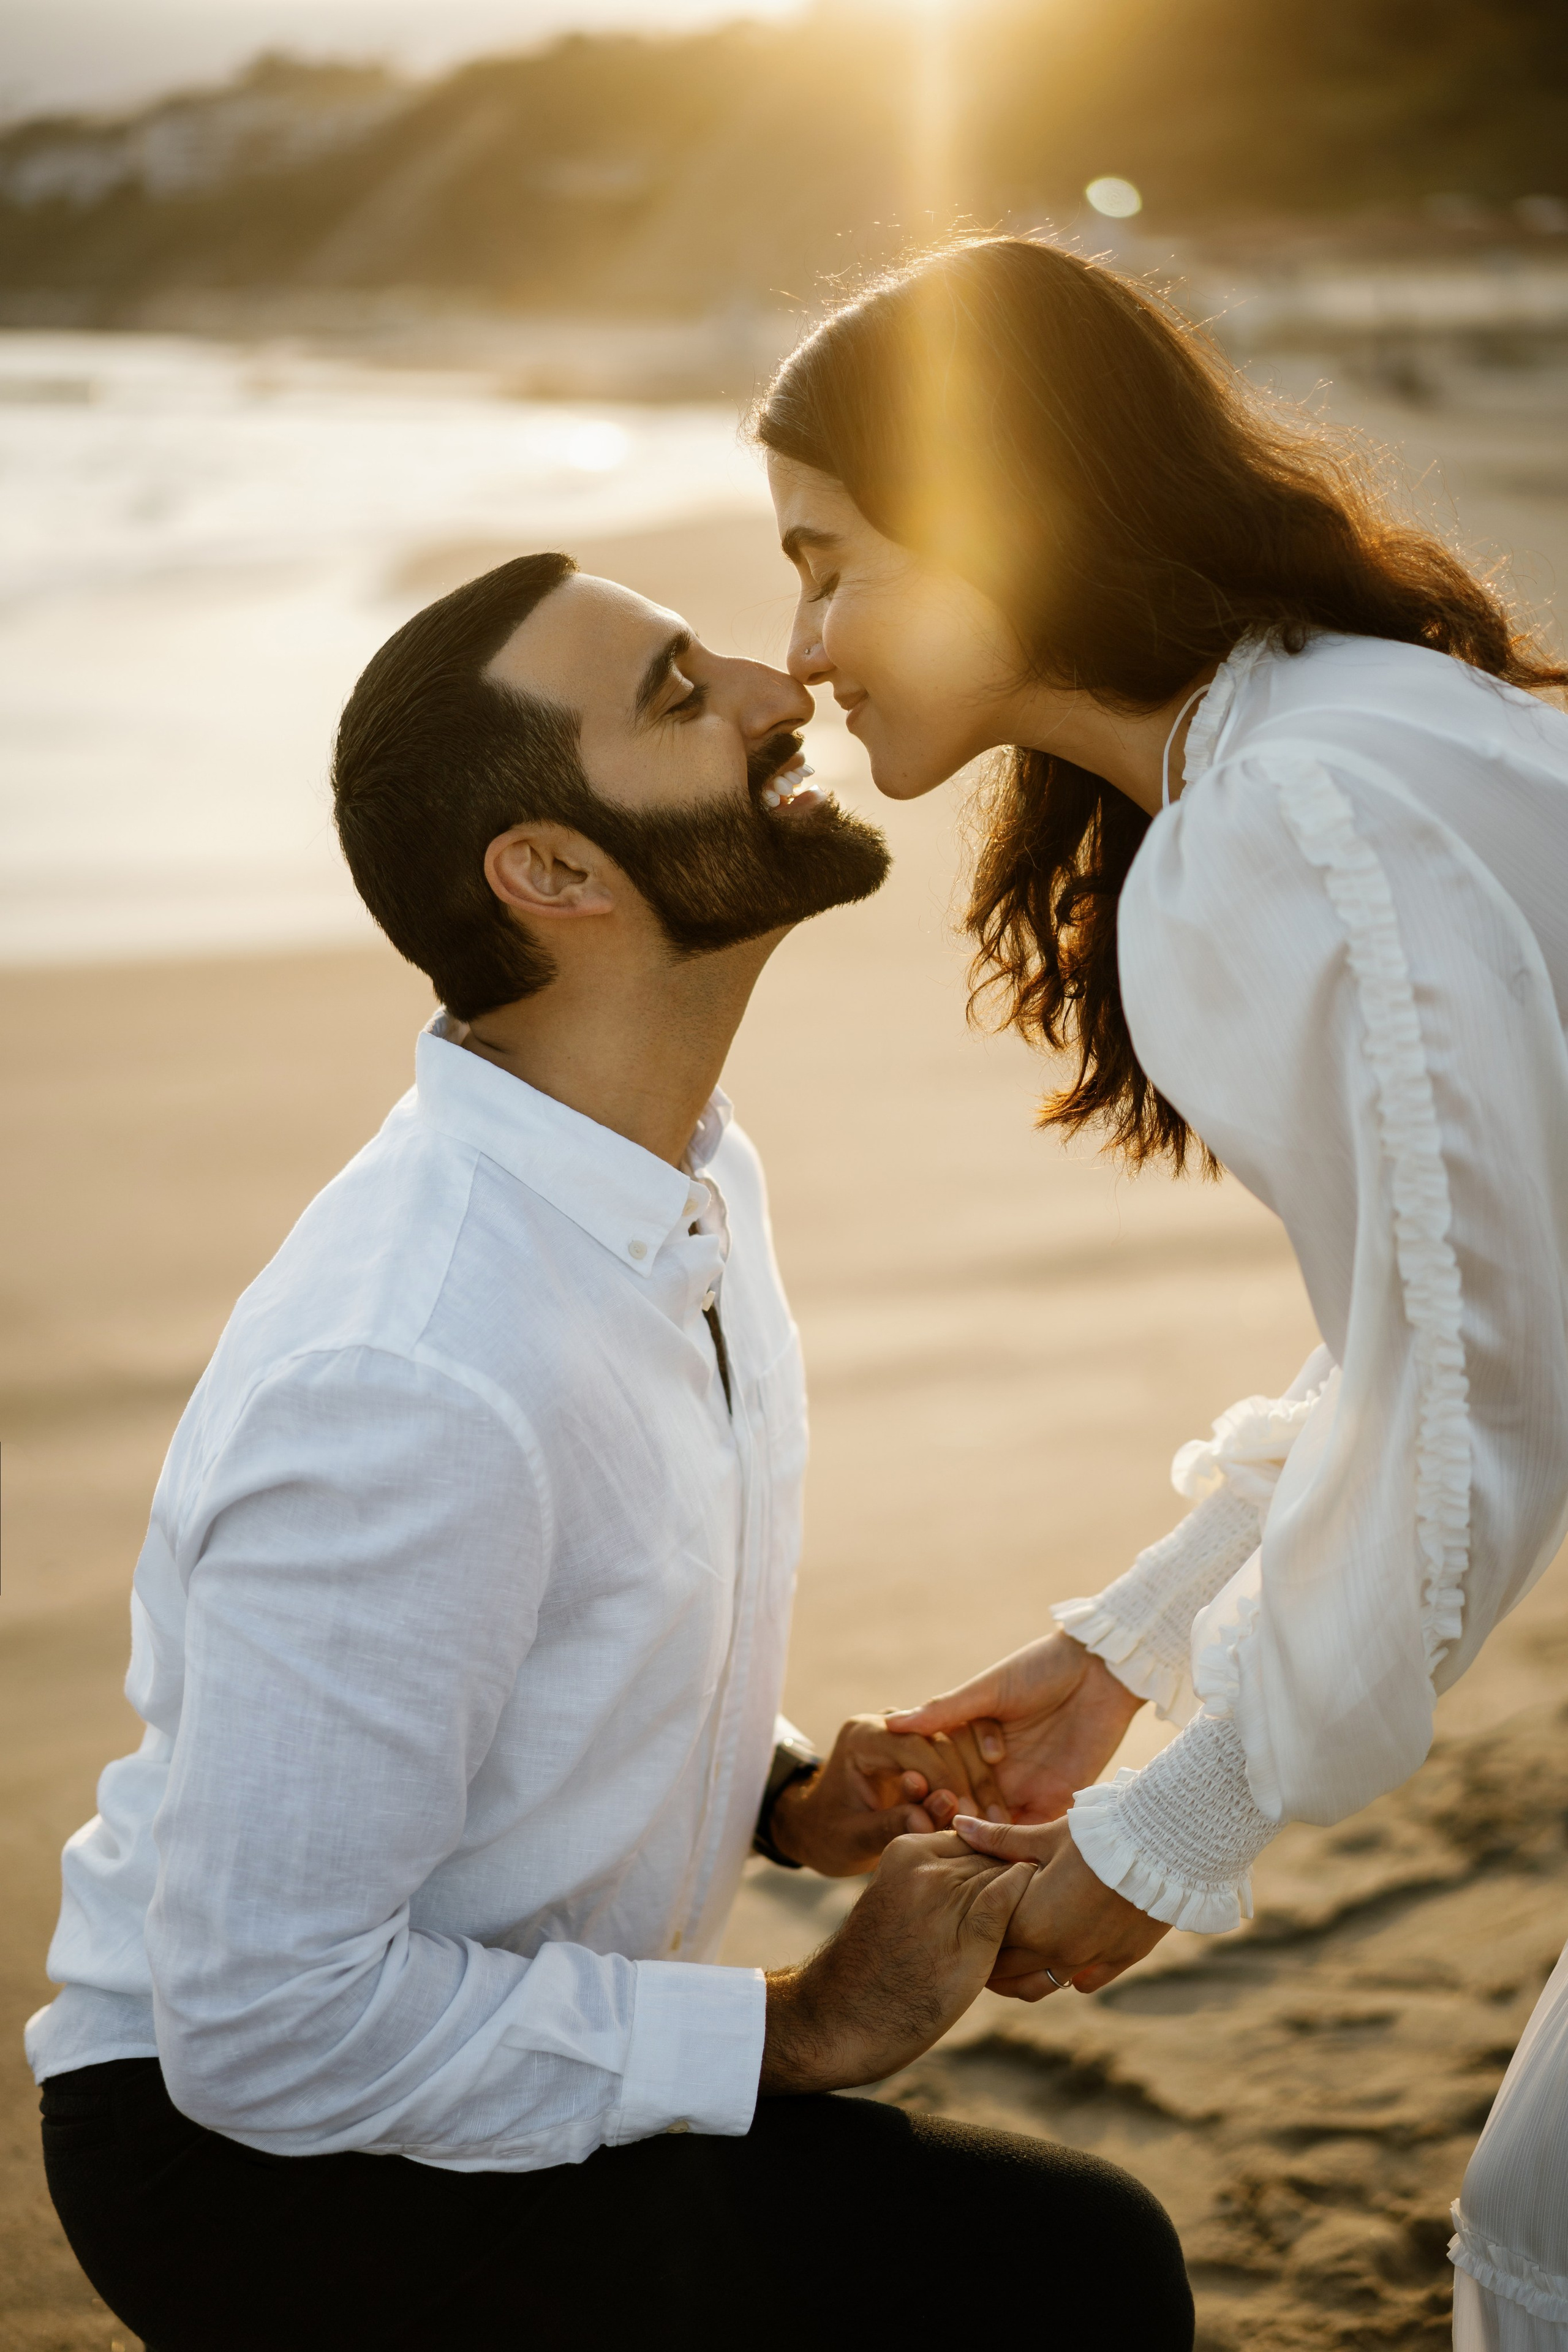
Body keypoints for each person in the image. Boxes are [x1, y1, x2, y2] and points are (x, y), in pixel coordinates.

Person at [26, 552, 1194, 2352]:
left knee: (1061, 2269)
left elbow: (535, 1647)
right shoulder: (411, 1377)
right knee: (1068, 2277)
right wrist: (793, 2029)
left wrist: (788, 1794)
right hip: (270, 2167)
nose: (775, 682)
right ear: (555, 874)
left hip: (435, 2045)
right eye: (676, 691)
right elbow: (266, 2027)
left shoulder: (681, 1171)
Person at [755, 235, 1568, 2348]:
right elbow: (1456, 1305)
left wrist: (1175, 1821)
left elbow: (1478, 1389)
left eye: (831, 562)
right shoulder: (1316, 737)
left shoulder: (1287, 811)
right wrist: (1126, 1644)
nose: (807, 642)